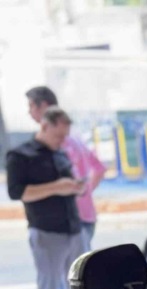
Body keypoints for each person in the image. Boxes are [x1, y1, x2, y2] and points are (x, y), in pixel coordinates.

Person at [7, 106, 86, 289]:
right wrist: (57, 187)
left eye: (65, 136)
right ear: (44, 126)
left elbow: (66, 185)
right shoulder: (20, 155)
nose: (62, 141)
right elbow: (17, 192)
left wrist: (75, 187)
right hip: (47, 233)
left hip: (74, 230)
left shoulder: (60, 153)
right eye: (59, 135)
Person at [26, 86, 104, 249]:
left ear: (44, 106)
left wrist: (75, 194)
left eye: (31, 106)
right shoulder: (74, 135)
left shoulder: (57, 140)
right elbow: (99, 168)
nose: (29, 112)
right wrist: (85, 193)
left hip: (69, 221)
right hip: (84, 216)